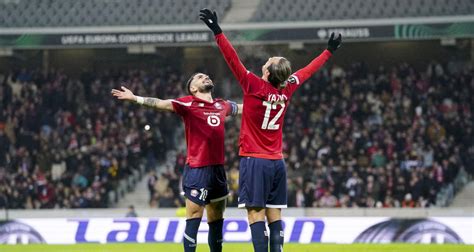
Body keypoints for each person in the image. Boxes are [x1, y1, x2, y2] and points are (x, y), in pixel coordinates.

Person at [200, 9, 342, 252]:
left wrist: (217, 31)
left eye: (268, 62)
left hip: (254, 161)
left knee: (255, 217)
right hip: (277, 162)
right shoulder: (287, 89)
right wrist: (328, 51)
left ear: (267, 72)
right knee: (275, 217)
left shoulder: (253, 84)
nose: (266, 61)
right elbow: (307, 71)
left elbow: (232, 58)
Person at [111, 73, 242, 252]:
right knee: (194, 216)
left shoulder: (222, 105)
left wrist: (269, 104)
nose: (206, 77)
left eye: (206, 76)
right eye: (199, 77)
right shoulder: (188, 103)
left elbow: (245, 108)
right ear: (193, 88)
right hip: (197, 169)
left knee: (217, 219)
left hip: (218, 170)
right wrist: (136, 99)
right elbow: (160, 103)